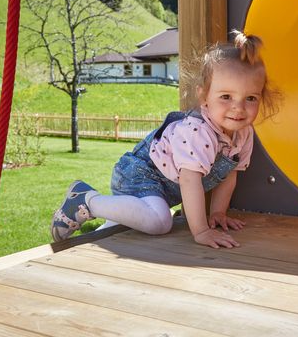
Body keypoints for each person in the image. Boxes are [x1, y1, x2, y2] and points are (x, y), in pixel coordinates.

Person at [50, 30, 281, 249]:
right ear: (204, 96)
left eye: (250, 98)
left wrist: (218, 213)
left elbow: (230, 175)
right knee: (160, 223)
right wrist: (200, 231)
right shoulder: (198, 131)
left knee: (129, 224)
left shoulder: (244, 133)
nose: (238, 108)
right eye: (226, 97)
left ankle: (101, 227)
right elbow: (190, 181)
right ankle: (86, 200)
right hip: (140, 175)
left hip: (161, 190)